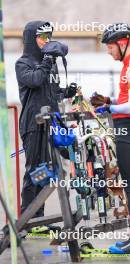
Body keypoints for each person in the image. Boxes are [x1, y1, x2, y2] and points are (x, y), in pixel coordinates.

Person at [90, 22, 130, 253]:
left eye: (110, 46)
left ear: (122, 43)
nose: (108, 51)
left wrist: (110, 109)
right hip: (126, 127)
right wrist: (108, 102)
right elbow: (126, 102)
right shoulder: (128, 65)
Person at [15, 21, 76, 227]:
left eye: (49, 36)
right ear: (32, 39)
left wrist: (66, 92)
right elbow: (35, 81)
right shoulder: (22, 63)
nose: (47, 41)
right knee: (34, 171)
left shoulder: (49, 64)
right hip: (33, 124)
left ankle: (39, 219)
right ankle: (27, 220)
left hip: (51, 123)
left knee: (48, 172)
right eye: (42, 37)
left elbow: (51, 91)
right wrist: (48, 60)